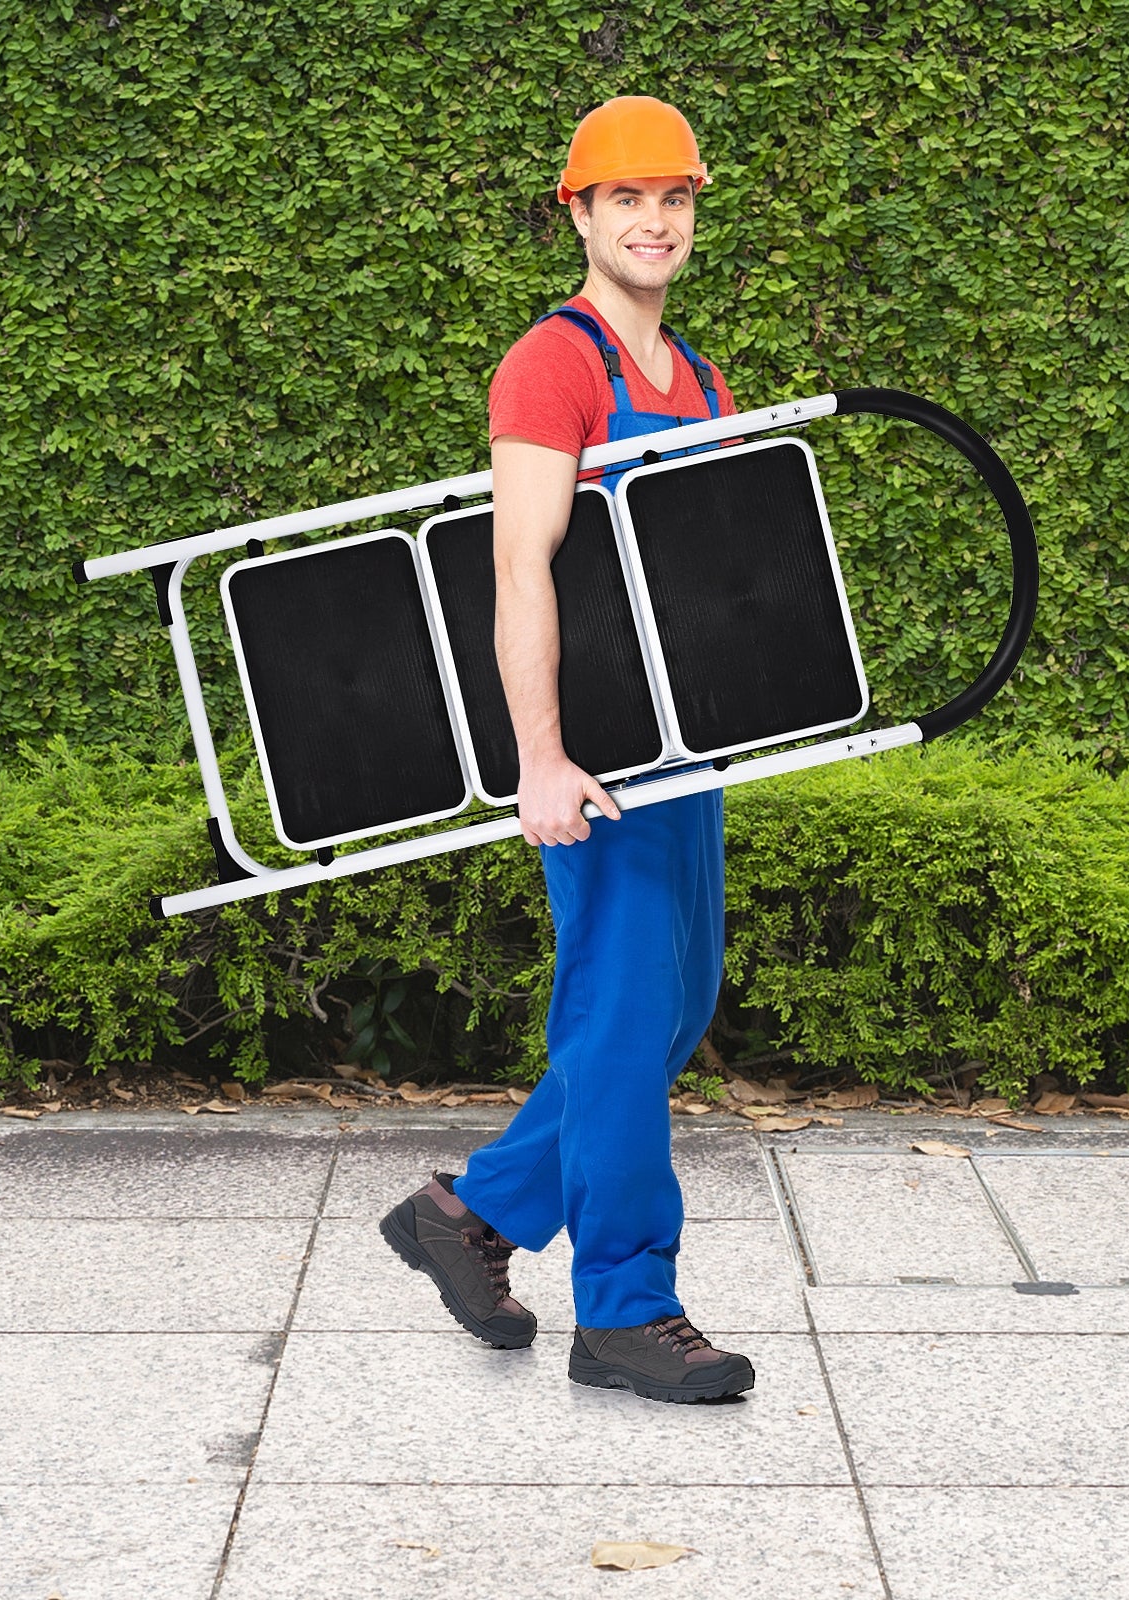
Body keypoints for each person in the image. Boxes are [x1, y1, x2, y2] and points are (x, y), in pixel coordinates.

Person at [379, 96, 754, 1404]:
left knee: (670, 1007)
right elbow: (520, 566)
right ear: (580, 214)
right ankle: (628, 1312)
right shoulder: (555, 364)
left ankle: (469, 1212)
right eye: (626, 200)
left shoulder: (699, 376)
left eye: (675, 198)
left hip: (683, 752)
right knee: (616, 1014)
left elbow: (701, 580)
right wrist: (539, 757)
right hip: (595, 758)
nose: (655, 221)